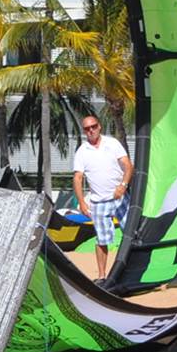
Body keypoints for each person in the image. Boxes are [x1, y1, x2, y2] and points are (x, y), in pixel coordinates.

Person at [69, 114, 133, 282]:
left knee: (132, 234)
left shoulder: (112, 143)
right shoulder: (82, 151)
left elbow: (127, 165)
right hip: (98, 203)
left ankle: (134, 271)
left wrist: (123, 185)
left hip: (120, 197)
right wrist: (82, 202)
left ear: (99, 126)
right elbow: (77, 178)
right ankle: (102, 276)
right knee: (102, 240)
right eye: (87, 128)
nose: (91, 130)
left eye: (93, 126)